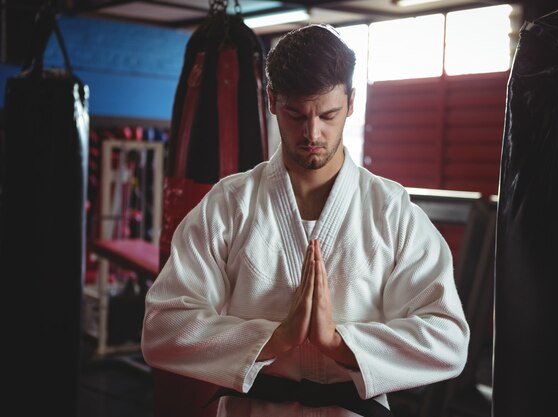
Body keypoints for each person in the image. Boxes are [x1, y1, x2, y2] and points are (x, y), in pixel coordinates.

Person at [141, 23, 470, 417]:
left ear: (350, 103)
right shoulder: (229, 205)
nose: (312, 133)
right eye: (296, 115)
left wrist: (338, 344)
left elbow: (448, 339)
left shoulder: (391, 210)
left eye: (328, 114)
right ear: (272, 101)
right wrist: (272, 340)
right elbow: (163, 329)